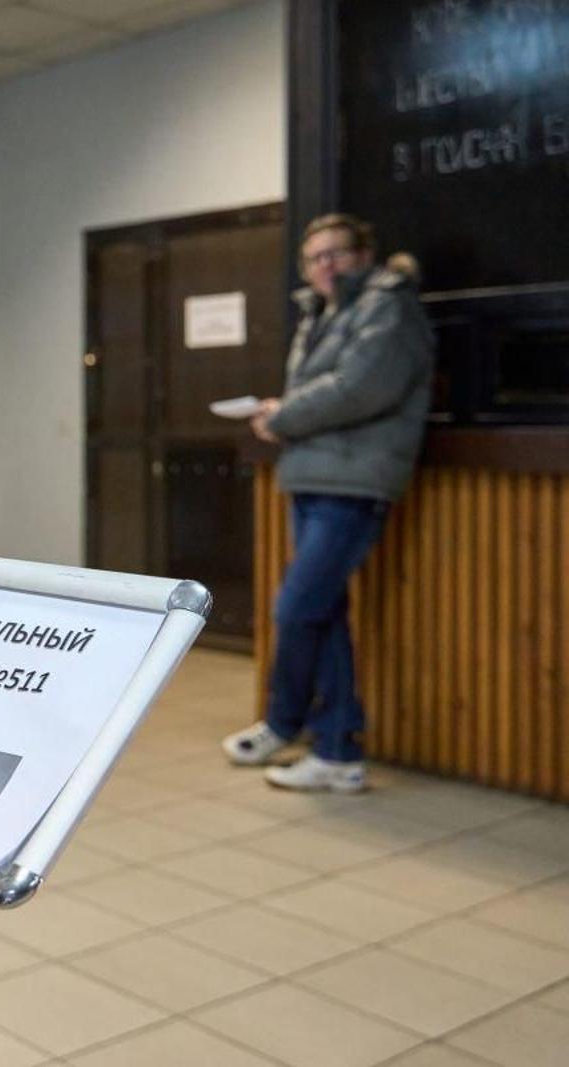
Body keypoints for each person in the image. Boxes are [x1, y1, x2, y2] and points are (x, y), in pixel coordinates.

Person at [222, 213, 433, 792]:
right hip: (315, 477)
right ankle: (333, 749)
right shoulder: (324, 312)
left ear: (365, 253)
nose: (325, 267)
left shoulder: (388, 305)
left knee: (296, 610)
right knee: (322, 613)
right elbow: (327, 388)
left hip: (354, 483)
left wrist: (282, 416)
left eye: (336, 254)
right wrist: (282, 411)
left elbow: (361, 387)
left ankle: (294, 724)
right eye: (314, 258)